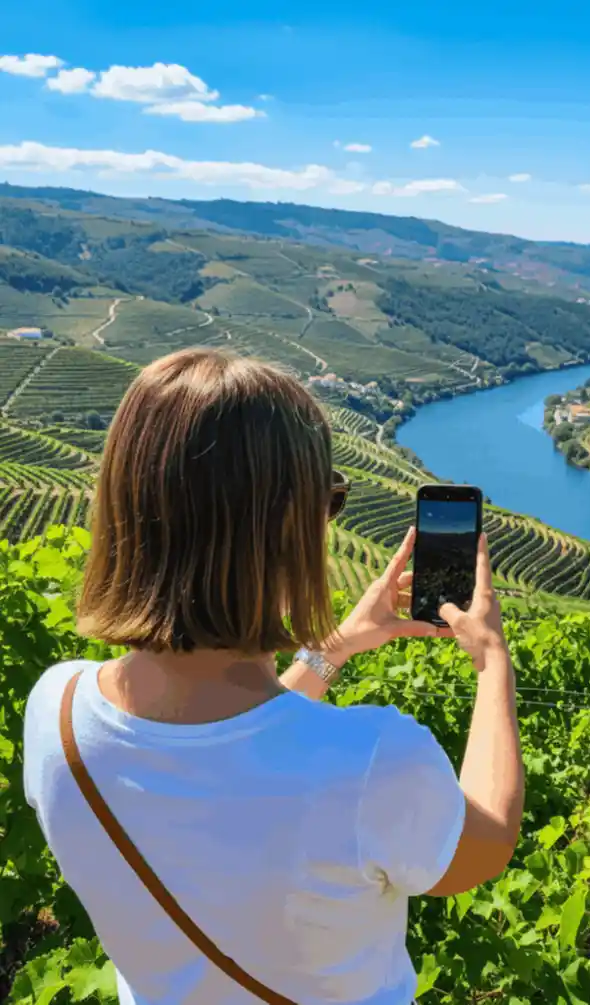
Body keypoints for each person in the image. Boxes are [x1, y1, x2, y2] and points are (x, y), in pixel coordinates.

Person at [23, 348, 524, 1005]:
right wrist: (492, 663)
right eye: (331, 500)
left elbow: (227, 759)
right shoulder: (371, 761)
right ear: (285, 529)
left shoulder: (54, 710)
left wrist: (333, 648)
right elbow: (484, 844)